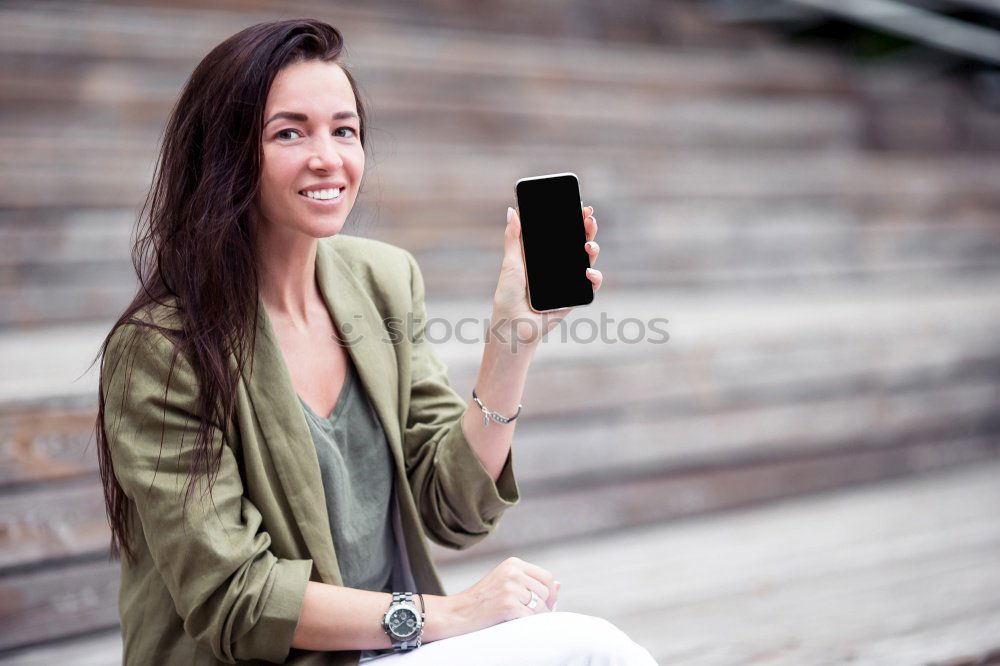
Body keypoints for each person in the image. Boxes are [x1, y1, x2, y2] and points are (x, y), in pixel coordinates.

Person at [95, 17, 654, 666]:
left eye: (344, 130)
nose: (328, 157)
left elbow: (454, 508)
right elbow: (237, 597)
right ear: (224, 154)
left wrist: (511, 343)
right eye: (289, 132)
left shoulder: (383, 281)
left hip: (389, 650)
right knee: (590, 649)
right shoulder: (162, 351)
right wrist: (451, 614)